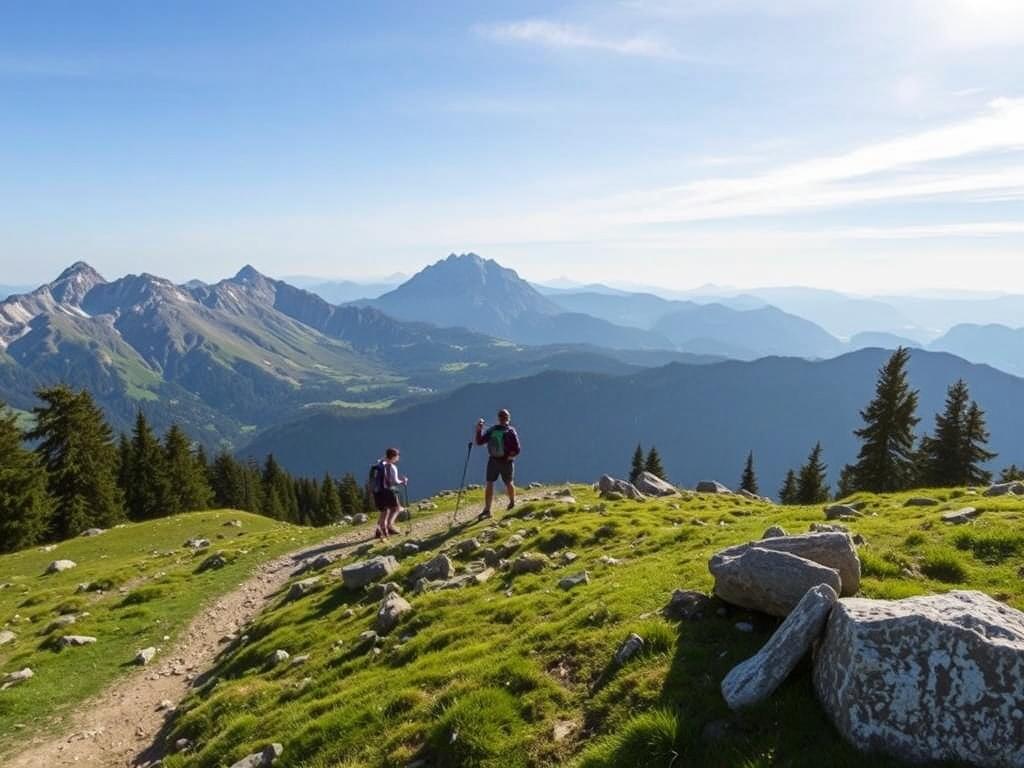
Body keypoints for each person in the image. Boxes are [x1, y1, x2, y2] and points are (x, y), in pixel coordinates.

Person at [474, 408, 520, 520]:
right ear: (508, 418)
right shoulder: (510, 431)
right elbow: (517, 449)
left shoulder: (492, 430)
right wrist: (510, 456)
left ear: (498, 418)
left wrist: (479, 430)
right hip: (506, 461)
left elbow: (479, 442)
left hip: (493, 460)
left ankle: (487, 509)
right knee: (509, 482)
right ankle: (512, 502)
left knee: (490, 483)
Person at [372, 447, 408, 540]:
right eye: (397, 456)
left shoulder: (379, 463)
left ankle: (379, 530)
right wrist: (403, 481)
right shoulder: (392, 466)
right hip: (387, 491)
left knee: (384, 510)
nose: (398, 457)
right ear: (393, 456)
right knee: (397, 508)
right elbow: (395, 481)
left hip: (377, 491)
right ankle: (389, 526)